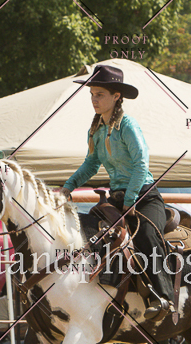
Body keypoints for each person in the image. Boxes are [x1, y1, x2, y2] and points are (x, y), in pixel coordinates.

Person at [59, 64, 174, 322]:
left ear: (116, 96)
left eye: (99, 94)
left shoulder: (128, 125)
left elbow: (141, 163)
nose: (94, 99)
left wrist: (131, 200)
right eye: (92, 94)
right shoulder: (96, 130)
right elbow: (91, 164)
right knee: (90, 230)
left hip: (143, 196)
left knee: (146, 235)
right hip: (120, 199)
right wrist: (68, 186)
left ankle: (163, 297)